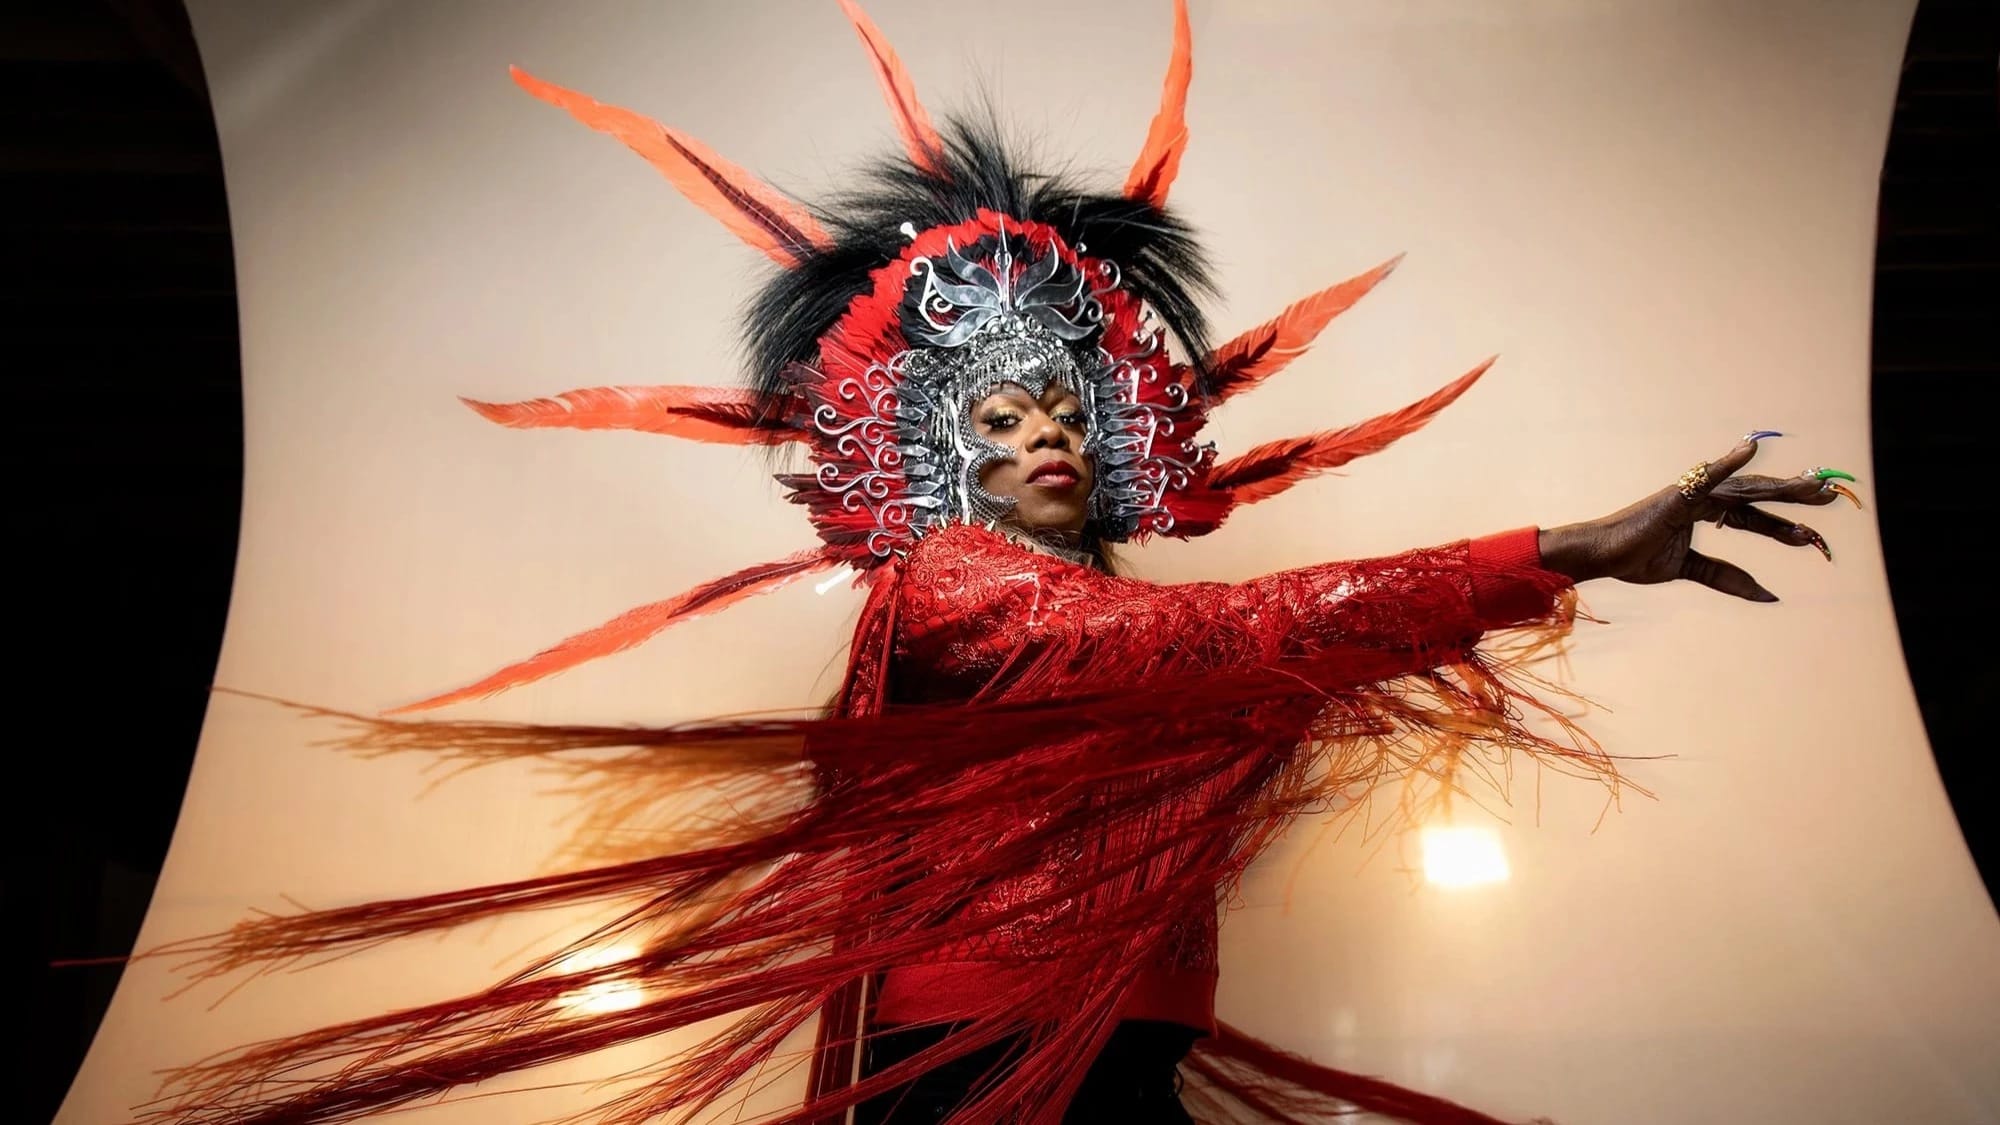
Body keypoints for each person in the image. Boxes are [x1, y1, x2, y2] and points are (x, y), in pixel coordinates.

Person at [143, 3, 1861, 1123]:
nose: (1034, 436)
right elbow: (1225, 636)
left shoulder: (1113, 609)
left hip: (1119, 1035)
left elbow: (1240, 651)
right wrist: (1557, 547)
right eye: (991, 423)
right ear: (932, 463)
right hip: (984, 1059)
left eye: (1058, 411)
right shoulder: (954, 585)